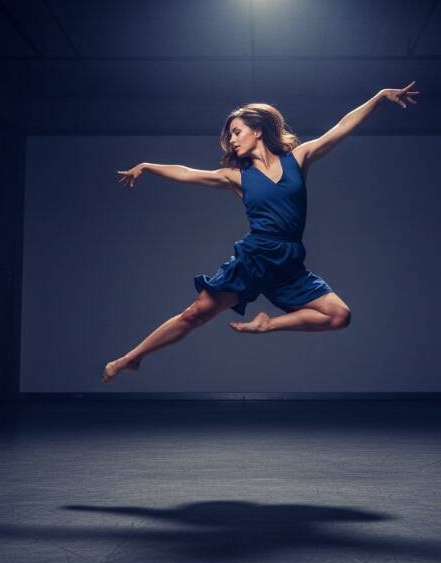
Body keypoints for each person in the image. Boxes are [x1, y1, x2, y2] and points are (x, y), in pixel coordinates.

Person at [103, 82, 420, 383]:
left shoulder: (298, 159)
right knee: (195, 313)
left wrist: (380, 97)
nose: (232, 140)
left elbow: (341, 127)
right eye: (230, 136)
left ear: (257, 130)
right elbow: (186, 172)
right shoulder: (235, 177)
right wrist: (147, 166)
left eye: (237, 132)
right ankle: (130, 358)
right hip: (254, 259)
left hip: (288, 263)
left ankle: (268, 324)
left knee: (339, 316)